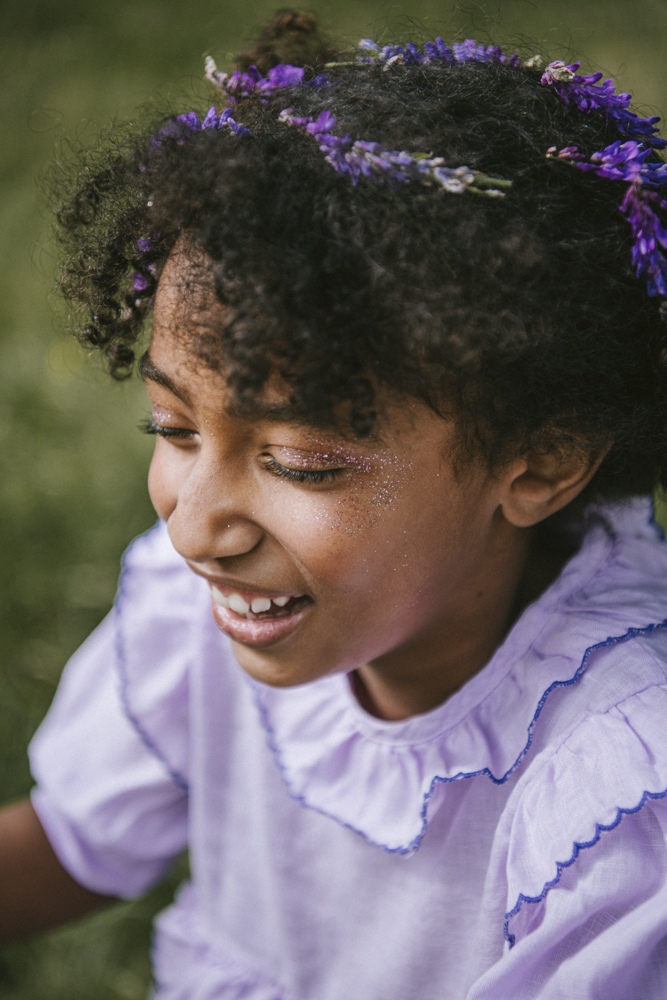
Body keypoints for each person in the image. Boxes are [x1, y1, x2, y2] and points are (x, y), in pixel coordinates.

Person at [3, 10, 667, 998]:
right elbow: (71, 842)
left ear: (539, 463)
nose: (194, 527)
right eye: (173, 430)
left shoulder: (613, 790)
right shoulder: (209, 615)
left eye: (302, 462)